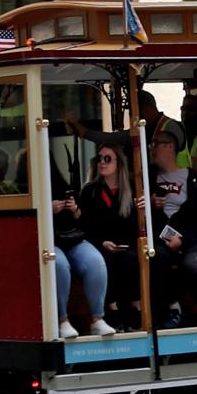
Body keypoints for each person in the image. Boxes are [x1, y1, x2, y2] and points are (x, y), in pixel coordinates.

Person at [147, 128, 197, 326]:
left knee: (190, 265)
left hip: (190, 239)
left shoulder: (193, 178)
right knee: (157, 258)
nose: (152, 149)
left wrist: (183, 240)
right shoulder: (147, 178)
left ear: (170, 146)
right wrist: (150, 204)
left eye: (156, 144)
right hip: (160, 239)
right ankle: (174, 309)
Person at [49, 160, 115, 339]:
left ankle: (97, 319)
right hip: (47, 239)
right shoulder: (27, 186)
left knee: (95, 261)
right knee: (59, 264)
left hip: (71, 236)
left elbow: (82, 220)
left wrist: (73, 208)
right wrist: (48, 209)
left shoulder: (60, 183)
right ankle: (62, 320)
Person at [80, 141, 141, 329]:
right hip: (100, 244)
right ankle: (112, 309)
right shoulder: (89, 191)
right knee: (105, 260)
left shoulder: (132, 189)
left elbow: (134, 225)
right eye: (100, 159)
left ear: (118, 163)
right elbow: (85, 227)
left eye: (108, 159)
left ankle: (135, 307)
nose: (103, 163)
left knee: (130, 259)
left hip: (125, 243)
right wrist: (102, 242)